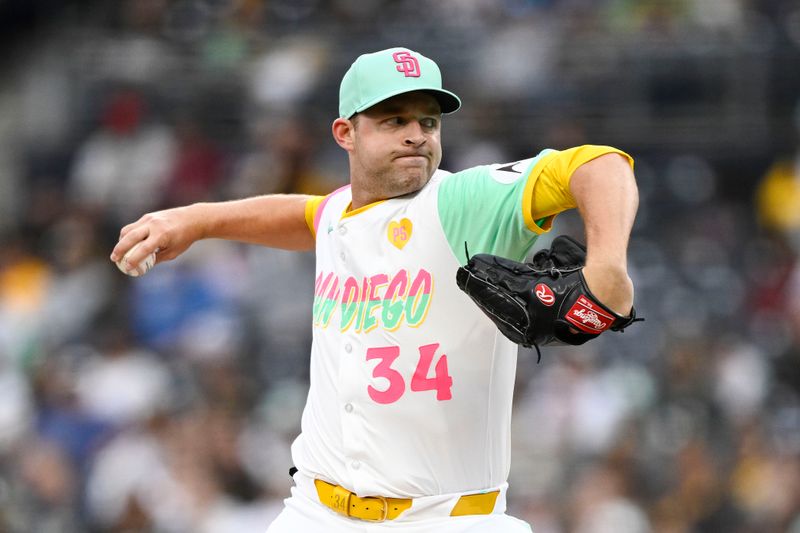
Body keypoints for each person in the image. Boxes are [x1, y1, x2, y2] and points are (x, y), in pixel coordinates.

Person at [110, 47, 638, 532]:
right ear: (346, 133)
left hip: (445, 518)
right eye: (394, 121)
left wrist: (609, 267)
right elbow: (302, 215)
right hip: (316, 509)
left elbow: (601, 165)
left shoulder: (460, 202)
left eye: (428, 122)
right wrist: (196, 219)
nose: (417, 135)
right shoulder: (341, 210)